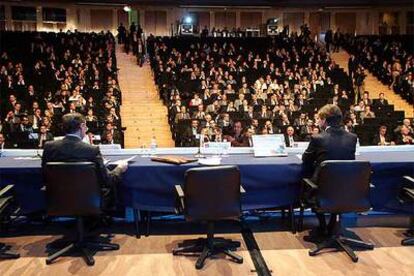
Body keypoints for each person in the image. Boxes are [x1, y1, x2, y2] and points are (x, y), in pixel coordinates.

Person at [41, 113, 128, 209]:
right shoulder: (91, 150)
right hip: (90, 201)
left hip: (57, 200)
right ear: (82, 126)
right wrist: (120, 168)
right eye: (85, 126)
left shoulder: (49, 147)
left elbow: (44, 176)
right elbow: (108, 180)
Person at [302, 104, 357, 236]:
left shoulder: (318, 138)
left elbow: (306, 159)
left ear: (324, 120)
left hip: (323, 188)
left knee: (315, 181)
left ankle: (323, 227)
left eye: (319, 119)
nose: (318, 122)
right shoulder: (352, 138)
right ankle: (332, 226)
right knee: (334, 183)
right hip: (347, 188)